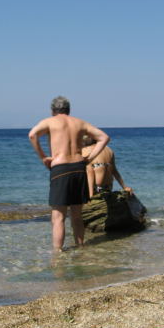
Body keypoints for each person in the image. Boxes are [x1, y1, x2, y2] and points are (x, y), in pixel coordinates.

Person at [28, 96, 109, 251]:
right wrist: (89, 158)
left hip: (61, 168)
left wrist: (43, 157)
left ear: (53, 110)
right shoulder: (80, 122)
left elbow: (32, 135)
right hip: (79, 167)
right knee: (77, 215)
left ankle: (58, 254)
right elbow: (104, 138)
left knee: (58, 217)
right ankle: (81, 247)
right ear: (69, 109)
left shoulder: (49, 122)